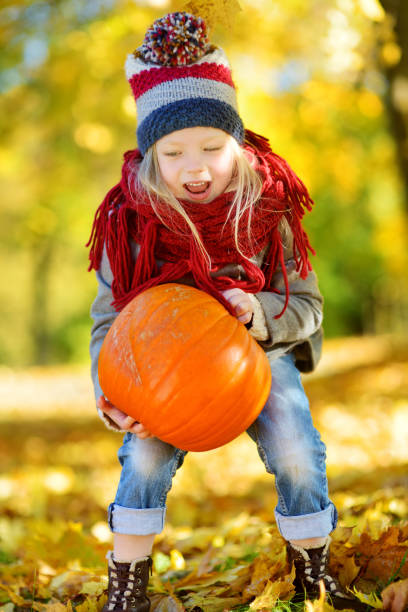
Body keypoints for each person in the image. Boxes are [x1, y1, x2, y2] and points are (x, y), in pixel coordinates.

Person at [87, 12, 364, 612]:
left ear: (237, 145)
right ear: (149, 155)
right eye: (173, 152)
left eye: (213, 148)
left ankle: (313, 573)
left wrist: (260, 311)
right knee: (144, 455)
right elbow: (111, 322)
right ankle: (127, 585)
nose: (195, 166)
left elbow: (309, 307)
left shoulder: (269, 210)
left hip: (257, 361)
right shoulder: (131, 225)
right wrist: (109, 391)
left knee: (295, 445)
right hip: (166, 374)